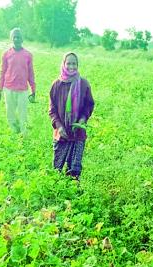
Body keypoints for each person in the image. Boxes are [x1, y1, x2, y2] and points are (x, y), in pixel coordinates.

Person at [48, 52, 95, 181]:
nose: (71, 66)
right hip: (61, 133)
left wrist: (82, 119)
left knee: (74, 169)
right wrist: (59, 127)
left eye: (74, 63)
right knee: (56, 168)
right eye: (68, 63)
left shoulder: (83, 84)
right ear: (63, 64)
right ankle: (57, 191)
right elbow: (52, 110)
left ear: (77, 65)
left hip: (78, 132)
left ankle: (74, 192)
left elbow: (89, 105)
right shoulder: (56, 85)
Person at [0, 28, 36, 135]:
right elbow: (2, 71)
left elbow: (31, 73)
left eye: (18, 37)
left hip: (23, 90)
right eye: (14, 37)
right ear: (11, 39)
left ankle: (24, 133)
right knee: (10, 111)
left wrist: (33, 90)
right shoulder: (6, 54)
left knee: (23, 112)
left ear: (22, 39)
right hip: (8, 88)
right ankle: (14, 131)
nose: (16, 39)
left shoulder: (28, 55)